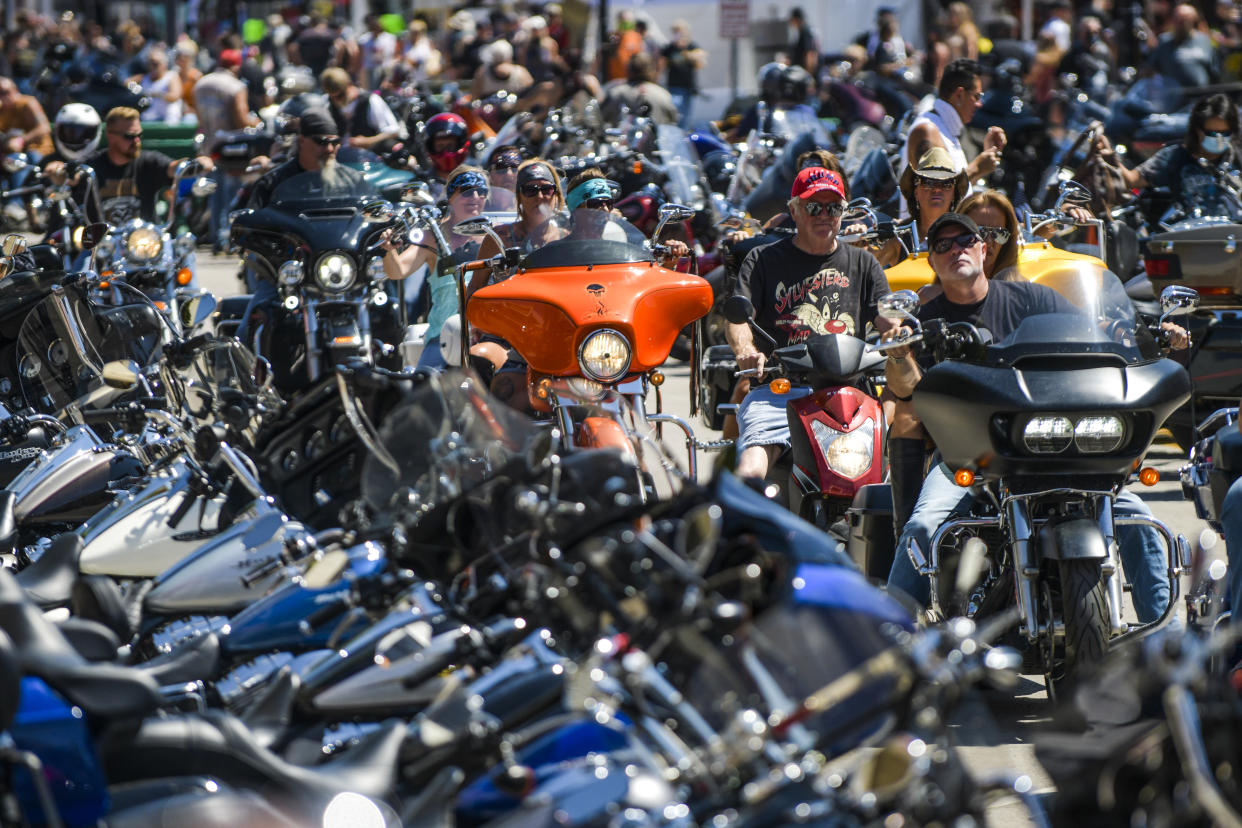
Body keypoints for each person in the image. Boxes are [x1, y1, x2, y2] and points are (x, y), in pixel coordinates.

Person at [882, 212, 1174, 621]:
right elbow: (906, 389)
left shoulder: (1030, 298)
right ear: (931, 261)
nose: (955, 250)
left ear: (984, 248)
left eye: (964, 240)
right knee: (924, 528)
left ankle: (1164, 643)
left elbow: (1090, 331)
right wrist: (898, 353)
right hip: (970, 456)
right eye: (942, 246)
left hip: (1059, 446)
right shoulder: (927, 320)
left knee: (1139, 519)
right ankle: (890, 640)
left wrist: (1138, 335)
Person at [728, 167, 892, 481]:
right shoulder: (762, 260)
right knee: (751, 468)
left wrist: (899, 332)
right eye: (814, 207)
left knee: (883, 471)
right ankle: (744, 521)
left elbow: (887, 318)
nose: (824, 215)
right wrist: (746, 351)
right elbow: (739, 319)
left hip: (847, 395)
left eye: (834, 208)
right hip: (780, 391)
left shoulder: (863, 263)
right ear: (794, 210)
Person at [237, 109, 360, 344]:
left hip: (342, 271)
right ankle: (246, 374)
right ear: (302, 140)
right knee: (251, 327)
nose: (330, 149)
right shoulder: (273, 182)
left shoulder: (351, 181)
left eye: (335, 143)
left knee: (386, 302)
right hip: (290, 274)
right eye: (322, 142)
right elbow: (253, 225)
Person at [381, 165, 488, 371]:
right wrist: (389, 249)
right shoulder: (432, 236)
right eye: (466, 191)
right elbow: (397, 271)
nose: (475, 197)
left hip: (486, 335)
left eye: (481, 191)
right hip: (443, 337)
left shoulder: (495, 235)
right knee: (424, 388)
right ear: (450, 197)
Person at [46, 106, 214, 227]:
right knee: (80, 271)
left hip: (145, 241)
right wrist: (58, 172)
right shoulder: (92, 165)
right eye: (129, 136)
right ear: (110, 136)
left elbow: (172, 167)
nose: (136, 141)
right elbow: (73, 178)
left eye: (139, 135)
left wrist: (198, 163)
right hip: (103, 244)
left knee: (185, 253)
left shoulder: (148, 162)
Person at [1094, 92, 1239, 219]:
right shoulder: (1175, 157)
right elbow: (1132, 180)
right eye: (1212, 133)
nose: (1218, 139)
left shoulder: (1237, 157)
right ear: (1197, 129)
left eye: (1225, 133)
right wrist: (1110, 158)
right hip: (1192, 238)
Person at [899, 59, 1006, 219]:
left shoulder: (944, 129)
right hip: (924, 242)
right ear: (959, 95)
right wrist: (977, 167)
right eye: (977, 96)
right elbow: (934, 195)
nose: (979, 104)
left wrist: (987, 157)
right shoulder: (927, 130)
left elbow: (957, 192)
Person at [194, 49, 260, 251]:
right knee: (232, 193)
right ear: (236, 66)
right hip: (230, 148)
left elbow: (198, 116)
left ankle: (216, 236)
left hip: (209, 143)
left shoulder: (201, 83)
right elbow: (240, 118)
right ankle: (227, 237)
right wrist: (255, 121)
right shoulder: (235, 86)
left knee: (215, 193)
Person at [0, 76, 52, 229]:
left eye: (5, 92)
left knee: (19, 160)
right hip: (9, 157)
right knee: (13, 159)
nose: (3, 97)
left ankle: (16, 205)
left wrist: (22, 141)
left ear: (15, 91)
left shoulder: (27, 103)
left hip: (38, 152)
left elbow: (44, 127)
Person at [319, 67, 404, 154]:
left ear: (349, 85)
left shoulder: (371, 100)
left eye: (339, 96)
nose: (335, 100)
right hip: (338, 159)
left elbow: (393, 130)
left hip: (367, 159)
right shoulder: (326, 102)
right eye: (331, 97)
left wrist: (369, 141)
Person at [1149, 3, 1220, 92]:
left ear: (1193, 20)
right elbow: (1150, 69)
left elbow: (1214, 72)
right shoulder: (1164, 41)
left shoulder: (1205, 41)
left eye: (1185, 19)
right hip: (1173, 98)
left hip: (1200, 98)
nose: (1180, 23)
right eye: (1177, 19)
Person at [601, 52, 679, 126]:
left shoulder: (616, 93)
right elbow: (673, 121)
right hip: (656, 139)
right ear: (652, 70)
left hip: (622, 139)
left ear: (629, 69)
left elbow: (602, 117)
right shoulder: (663, 95)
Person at [661, 20, 705, 127]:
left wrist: (691, 56)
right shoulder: (669, 48)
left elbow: (700, 65)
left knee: (686, 115)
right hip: (674, 86)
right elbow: (661, 65)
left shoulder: (692, 47)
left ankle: (682, 134)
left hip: (688, 86)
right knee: (676, 112)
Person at [420, 112, 470, 198]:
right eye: (440, 146)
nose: (446, 153)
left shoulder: (475, 179)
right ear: (431, 147)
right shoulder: (422, 183)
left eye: (450, 146)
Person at [132, 47, 183, 125]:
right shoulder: (143, 78)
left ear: (165, 64)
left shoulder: (172, 77)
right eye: (149, 63)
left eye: (155, 64)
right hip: (148, 120)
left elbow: (175, 96)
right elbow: (125, 84)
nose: (152, 67)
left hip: (168, 121)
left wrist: (158, 94)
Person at [484, 144, 521, 211]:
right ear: (489, 174)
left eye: (514, 168)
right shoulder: (478, 206)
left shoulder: (527, 208)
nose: (509, 174)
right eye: (501, 168)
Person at [788, 7, 820, 75]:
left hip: (805, 73)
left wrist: (809, 74)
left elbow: (810, 53)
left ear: (796, 19)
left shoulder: (805, 31)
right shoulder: (804, 30)